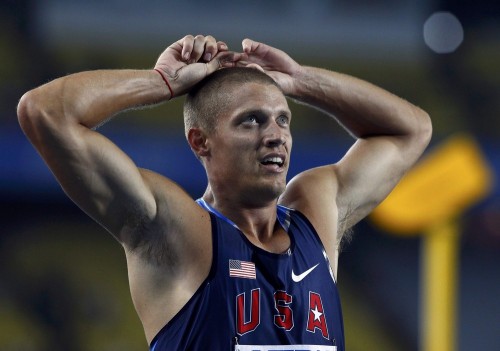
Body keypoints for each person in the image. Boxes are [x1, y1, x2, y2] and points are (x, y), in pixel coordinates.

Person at [17, 34, 432, 350]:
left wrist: (301, 81)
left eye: (283, 120)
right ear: (201, 142)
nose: (276, 136)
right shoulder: (176, 229)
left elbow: (411, 129)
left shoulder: (315, 212)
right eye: (251, 121)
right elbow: (45, 112)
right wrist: (160, 81)